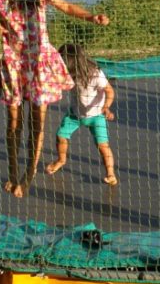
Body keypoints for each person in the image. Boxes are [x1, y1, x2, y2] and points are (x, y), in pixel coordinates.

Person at [0, 0, 109, 197]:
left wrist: (91, 17)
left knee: (37, 122)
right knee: (14, 122)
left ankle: (30, 171)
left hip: (40, 65)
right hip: (15, 65)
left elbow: (66, 6)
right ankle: (13, 170)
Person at [46, 43, 118, 185]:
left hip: (97, 116)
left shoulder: (95, 73)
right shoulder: (69, 74)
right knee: (61, 135)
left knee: (103, 146)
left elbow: (109, 91)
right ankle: (61, 160)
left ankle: (111, 174)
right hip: (75, 114)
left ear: (72, 62)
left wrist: (106, 107)